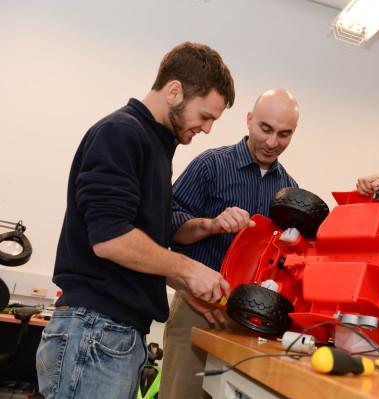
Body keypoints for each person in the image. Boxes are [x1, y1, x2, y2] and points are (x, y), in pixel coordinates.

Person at [35, 42, 235, 399]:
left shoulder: (156, 148)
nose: (206, 129)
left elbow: (141, 249)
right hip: (94, 334)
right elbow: (111, 239)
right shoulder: (122, 134)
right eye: (205, 116)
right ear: (175, 91)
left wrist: (188, 288)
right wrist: (189, 269)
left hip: (112, 335)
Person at [159, 88, 299, 399]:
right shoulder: (210, 166)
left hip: (253, 323)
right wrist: (211, 225)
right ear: (249, 120)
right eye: (265, 129)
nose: (273, 142)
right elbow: (168, 227)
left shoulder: (290, 190)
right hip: (199, 309)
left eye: (284, 134)